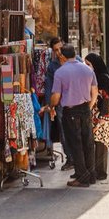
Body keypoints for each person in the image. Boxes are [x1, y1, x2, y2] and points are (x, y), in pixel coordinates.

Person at [50, 45, 98, 187]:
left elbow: (56, 96)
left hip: (70, 111)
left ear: (63, 57)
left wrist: (51, 106)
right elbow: (94, 91)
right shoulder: (88, 69)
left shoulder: (60, 72)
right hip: (85, 108)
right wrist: (89, 107)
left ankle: (83, 177)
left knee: (75, 144)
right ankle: (90, 174)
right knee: (88, 143)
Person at [84, 53, 109, 181]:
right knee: (95, 142)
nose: (86, 67)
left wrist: (103, 115)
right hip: (96, 112)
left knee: (101, 143)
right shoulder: (95, 76)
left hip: (104, 113)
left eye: (88, 64)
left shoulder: (102, 77)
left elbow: (106, 97)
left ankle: (101, 172)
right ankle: (95, 171)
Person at [43, 37, 71, 168]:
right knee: (64, 131)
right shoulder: (52, 66)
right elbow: (49, 86)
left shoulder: (74, 61)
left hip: (76, 101)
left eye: (60, 48)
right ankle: (70, 158)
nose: (59, 52)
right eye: (56, 50)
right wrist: (50, 105)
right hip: (60, 103)